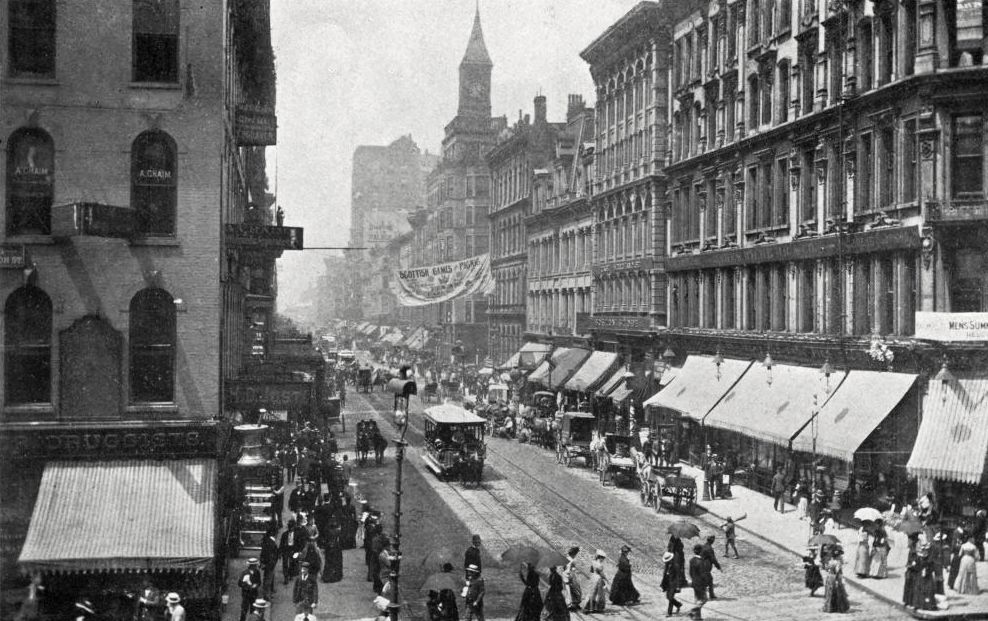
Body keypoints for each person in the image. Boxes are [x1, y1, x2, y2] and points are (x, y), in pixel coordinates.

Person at [688, 545, 709, 620]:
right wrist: (706, 583)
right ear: (700, 551)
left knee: (697, 599)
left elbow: (690, 572)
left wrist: (693, 580)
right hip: (700, 584)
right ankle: (693, 610)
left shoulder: (691, 560)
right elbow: (703, 574)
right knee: (704, 599)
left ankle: (697, 617)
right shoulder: (701, 562)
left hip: (694, 582)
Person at [660, 551, 683, 617]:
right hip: (668, 584)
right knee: (668, 597)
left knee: (670, 597)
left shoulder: (676, 566)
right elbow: (665, 575)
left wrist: (678, 586)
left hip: (674, 584)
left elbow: (678, 576)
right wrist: (663, 583)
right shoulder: (667, 565)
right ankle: (678, 604)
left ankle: (669, 613)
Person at [261, 526, 280, 596]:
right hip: (270, 563)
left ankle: (269, 591)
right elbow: (270, 554)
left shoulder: (268, 541)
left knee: (269, 577)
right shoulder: (271, 542)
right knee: (268, 578)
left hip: (268, 563)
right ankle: (267, 594)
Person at [562, 546, 582, 611]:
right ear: (574, 554)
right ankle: (573, 604)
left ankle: (571, 604)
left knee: (568, 590)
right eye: (575, 554)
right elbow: (573, 569)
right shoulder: (573, 561)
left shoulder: (566, 558)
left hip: (565, 574)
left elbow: (564, 567)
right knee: (575, 589)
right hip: (570, 575)